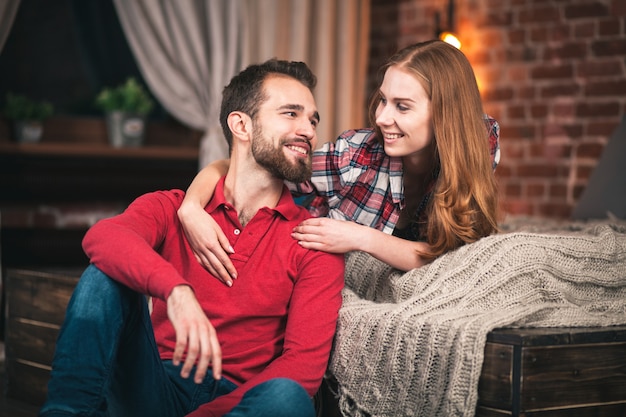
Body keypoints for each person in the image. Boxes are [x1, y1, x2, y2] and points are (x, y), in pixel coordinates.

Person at [39, 59, 344, 417]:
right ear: (241, 125)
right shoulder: (173, 208)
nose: (308, 130)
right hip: (155, 387)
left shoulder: (314, 239)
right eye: (291, 113)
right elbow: (103, 237)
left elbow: (303, 368)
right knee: (106, 272)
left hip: (242, 404)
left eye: (312, 119)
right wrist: (175, 290)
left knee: (288, 398)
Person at [177, 39, 500, 286]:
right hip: (309, 220)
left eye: (402, 107)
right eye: (383, 101)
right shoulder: (357, 153)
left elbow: (450, 257)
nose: (382, 118)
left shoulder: (479, 142)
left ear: (445, 114)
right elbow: (237, 162)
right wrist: (191, 206)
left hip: (350, 231)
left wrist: (359, 236)